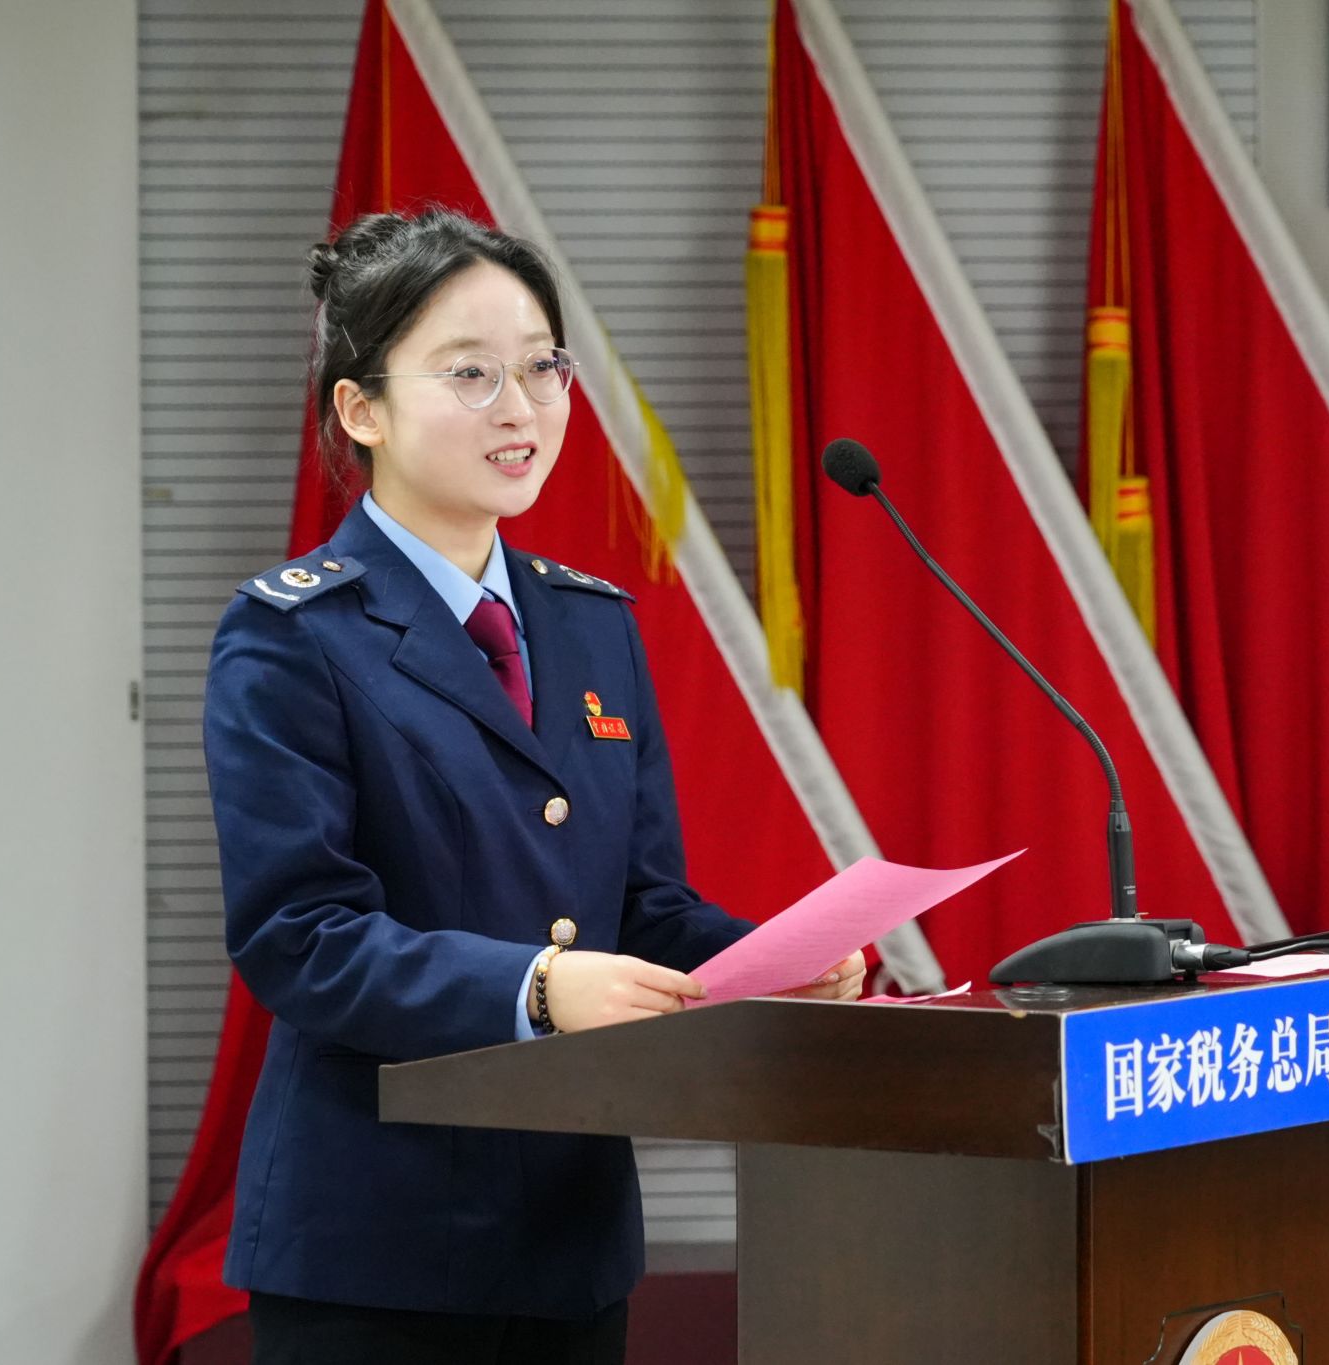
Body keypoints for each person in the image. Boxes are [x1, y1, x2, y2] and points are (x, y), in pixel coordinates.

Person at [201, 208, 865, 1365]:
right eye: (470, 373)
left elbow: (641, 905)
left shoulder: (588, 624)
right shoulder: (293, 636)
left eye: (542, 366)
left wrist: (776, 964)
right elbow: (299, 938)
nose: (521, 408)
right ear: (361, 410)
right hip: (374, 1245)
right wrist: (538, 986)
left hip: (569, 1239)